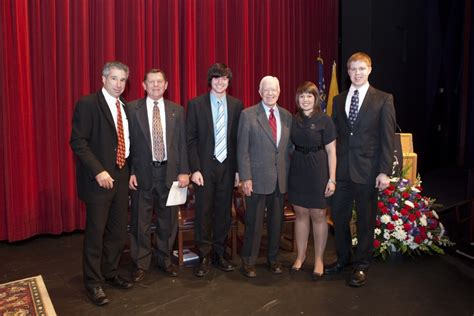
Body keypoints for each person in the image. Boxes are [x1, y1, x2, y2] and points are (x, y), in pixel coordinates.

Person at [326, 52, 396, 287]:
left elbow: (388, 138)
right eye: (353, 69)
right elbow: (334, 137)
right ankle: (344, 260)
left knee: (366, 221)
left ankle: (362, 265)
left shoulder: (383, 99)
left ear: (370, 70)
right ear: (347, 72)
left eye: (361, 68)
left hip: (368, 171)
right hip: (342, 172)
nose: (357, 73)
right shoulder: (339, 100)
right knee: (339, 217)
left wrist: (384, 171)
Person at [70, 61, 133, 306]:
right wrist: (98, 171)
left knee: (118, 233)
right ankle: (93, 283)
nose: (118, 84)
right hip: (98, 181)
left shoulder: (125, 106)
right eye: (114, 78)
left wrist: (130, 172)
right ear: (103, 78)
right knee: (96, 234)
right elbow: (78, 142)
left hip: (121, 176)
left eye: (123, 80)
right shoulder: (88, 104)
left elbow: (127, 142)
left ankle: (110, 273)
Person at [128, 69, 189, 282]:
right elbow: (128, 145)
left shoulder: (177, 110)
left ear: (166, 85)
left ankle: (165, 260)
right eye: (151, 82)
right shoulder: (132, 109)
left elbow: (182, 143)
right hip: (142, 173)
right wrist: (131, 172)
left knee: (168, 220)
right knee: (140, 221)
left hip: (170, 173)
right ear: (144, 85)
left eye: (159, 82)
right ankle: (141, 263)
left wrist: (184, 171)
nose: (155, 85)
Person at [187, 63, 243, 277]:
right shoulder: (196, 104)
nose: (221, 82)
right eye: (216, 78)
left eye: (225, 78)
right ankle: (204, 256)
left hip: (227, 168)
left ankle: (219, 254)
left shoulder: (237, 105)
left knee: (223, 214)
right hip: (204, 169)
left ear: (229, 81)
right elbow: (190, 140)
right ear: (210, 81)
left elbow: (238, 140)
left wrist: (238, 170)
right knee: (204, 213)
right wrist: (194, 169)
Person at [237, 75, 292, 278]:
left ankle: (273, 259)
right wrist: (245, 178)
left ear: (279, 92)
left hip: (280, 179)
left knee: (277, 223)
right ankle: (249, 261)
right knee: (254, 223)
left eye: (274, 89)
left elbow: (287, 149)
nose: (270, 93)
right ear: (259, 92)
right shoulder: (248, 115)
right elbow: (242, 150)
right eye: (266, 89)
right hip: (256, 179)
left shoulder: (287, 116)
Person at [288, 81, 336, 280]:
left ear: (316, 98)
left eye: (309, 96)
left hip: (318, 170)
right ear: (297, 99)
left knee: (318, 214)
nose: (305, 99)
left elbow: (332, 151)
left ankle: (318, 259)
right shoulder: (293, 119)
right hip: (298, 169)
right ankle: (300, 256)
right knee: (300, 213)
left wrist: (332, 179)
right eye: (302, 96)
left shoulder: (325, 120)